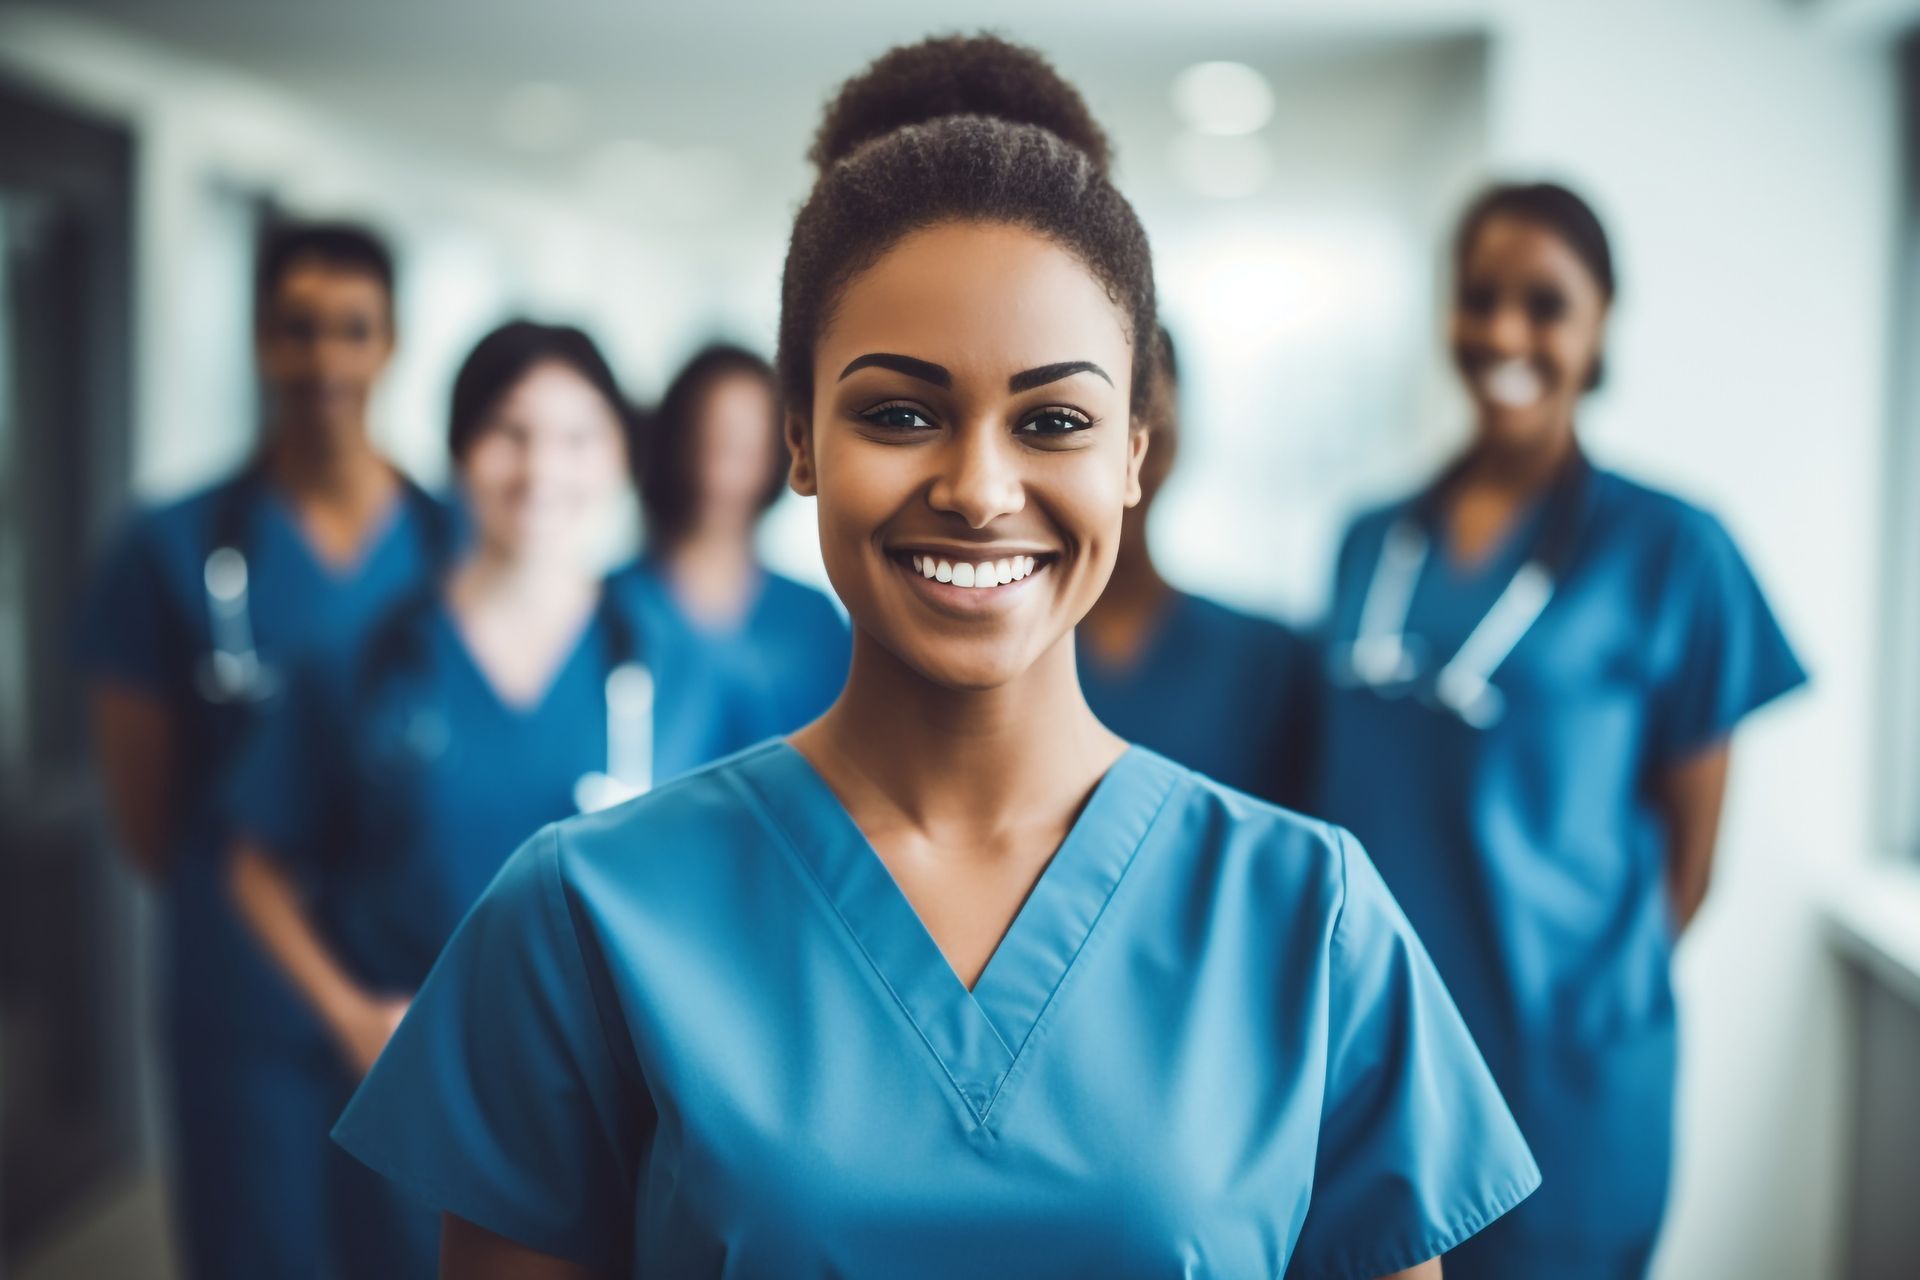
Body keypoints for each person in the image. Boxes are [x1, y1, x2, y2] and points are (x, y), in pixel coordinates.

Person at [331, 36, 1539, 1279]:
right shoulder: (584, 915)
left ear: (1136, 448)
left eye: (1054, 419)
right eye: (899, 412)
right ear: (797, 437)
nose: (976, 486)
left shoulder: (1310, 922)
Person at [1309, 182, 1807, 1279]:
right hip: (1375, 1066)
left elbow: (1691, 859)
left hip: (1565, 1086)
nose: (1503, 332)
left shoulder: (1675, 550)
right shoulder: (1367, 541)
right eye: (1479, 298)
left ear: (1601, 323)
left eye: (1545, 303)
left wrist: (1570, 1006)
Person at [222, 320, 755, 1277]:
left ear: (621, 458)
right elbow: (256, 862)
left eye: (578, 436)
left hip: (609, 1099)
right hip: (408, 1092)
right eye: (509, 432)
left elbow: (729, 891)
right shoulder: (362, 654)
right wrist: (348, 1015)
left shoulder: (675, 665)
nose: (541, 466)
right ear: (463, 448)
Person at [76, 221, 447, 1278]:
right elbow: (149, 817)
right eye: (297, 330)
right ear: (258, 341)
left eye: (351, 330)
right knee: (259, 1244)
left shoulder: (451, 544)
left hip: (412, 977)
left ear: (390, 343)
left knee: (421, 1246)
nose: (324, 359)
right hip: (241, 986)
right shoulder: (170, 543)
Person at [1077, 325, 1315, 805]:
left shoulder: (1267, 660)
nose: (1130, 472)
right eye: (1087, 433)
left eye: (1152, 439)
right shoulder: (997, 649)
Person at [615, 344, 849, 744]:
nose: (719, 472)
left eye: (741, 445)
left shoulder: (813, 619)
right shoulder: (612, 607)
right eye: (704, 439)